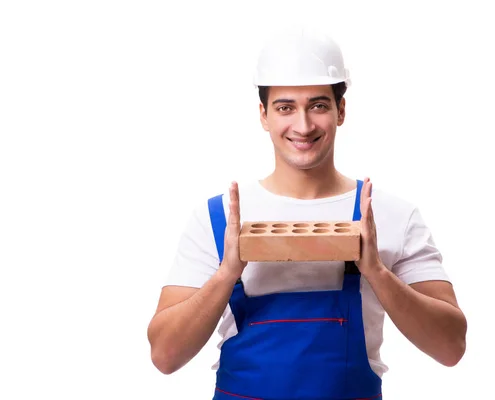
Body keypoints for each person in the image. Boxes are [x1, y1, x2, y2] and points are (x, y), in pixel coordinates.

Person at [147, 27, 467, 399]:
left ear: (340, 110)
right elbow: (165, 356)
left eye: (318, 105)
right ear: (264, 115)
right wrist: (227, 273)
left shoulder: (390, 215)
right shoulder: (218, 219)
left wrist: (376, 272)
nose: (303, 125)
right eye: (286, 108)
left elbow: (451, 347)